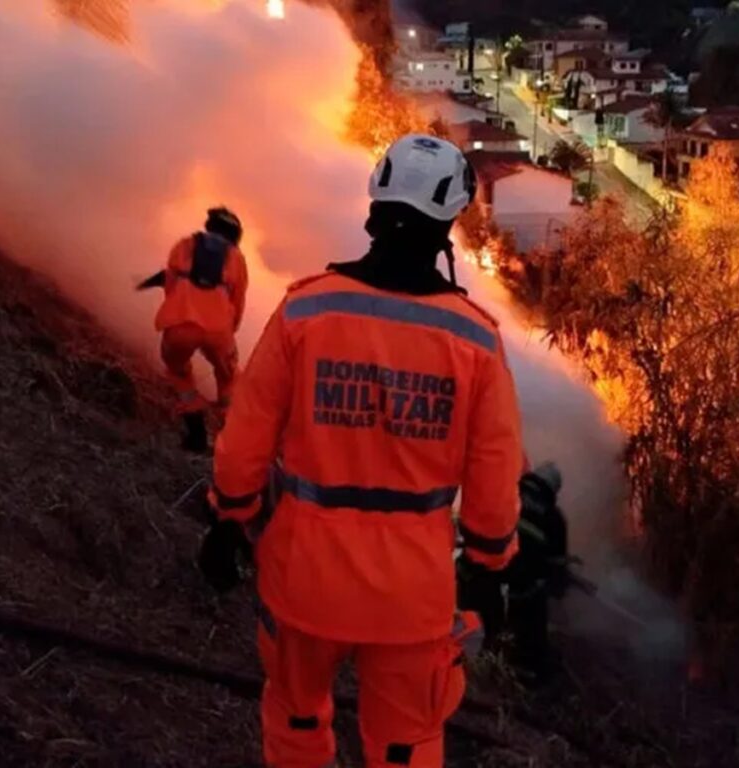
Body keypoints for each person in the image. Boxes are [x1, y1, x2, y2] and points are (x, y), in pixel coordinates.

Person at [197, 134, 525, 767]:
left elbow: (245, 441)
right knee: (405, 745)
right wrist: (489, 570)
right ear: (449, 224)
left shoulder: (306, 310)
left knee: (296, 721)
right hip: (412, 599)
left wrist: (227, 520)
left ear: (375, 206)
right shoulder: (475, 341)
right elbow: (494, 477)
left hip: (304, 580)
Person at [141, 207, 249, 453]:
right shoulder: (236, 258)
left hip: (179, 326)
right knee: (229, 379)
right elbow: (238, 300)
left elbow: (171, 285)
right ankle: (234, 441)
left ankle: (196, 435)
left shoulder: (184, 245)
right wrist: (229, 333)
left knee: (178, 372)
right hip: (218, 331)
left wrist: (179, 316)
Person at [500, 461, 569, 683]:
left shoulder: (510, 495)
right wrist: (559, 587)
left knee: (501, 622)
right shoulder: (554, 518)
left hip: (496, 576)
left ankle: (499, 660)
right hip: (528, 585)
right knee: (533, 630)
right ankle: (531, 674)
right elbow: (556, 565)